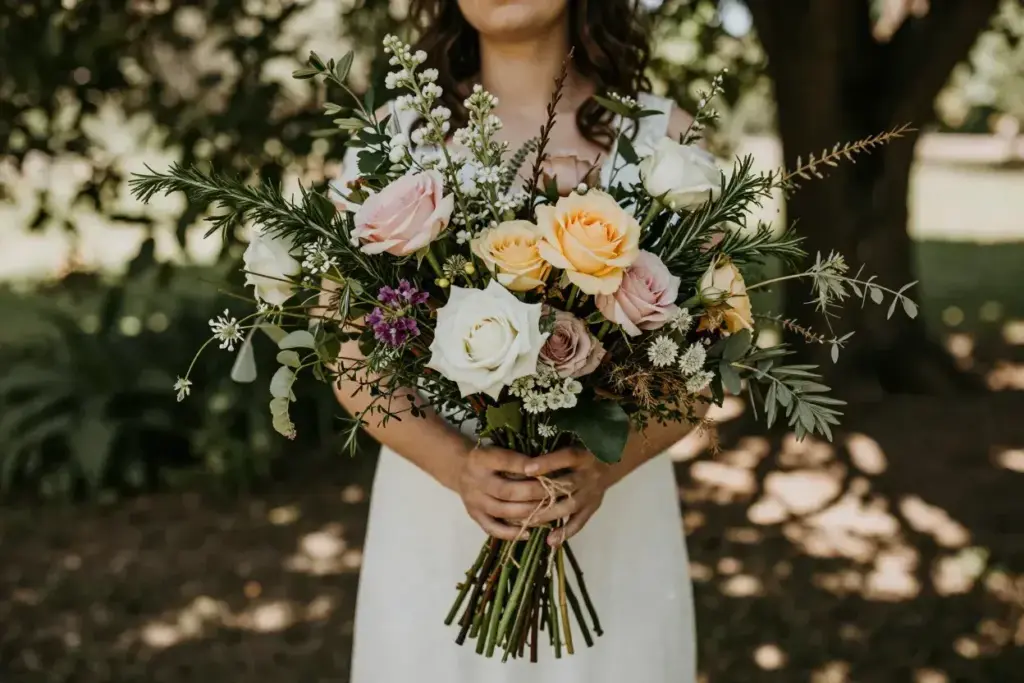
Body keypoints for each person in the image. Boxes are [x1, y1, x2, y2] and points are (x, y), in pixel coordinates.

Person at [329, 1, 702, 680]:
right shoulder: (394, 141)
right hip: (437, 521)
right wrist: (460, 467)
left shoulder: (667, 141)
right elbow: (350, 359)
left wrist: (603, 469)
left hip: (614, 523)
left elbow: (704, 366)